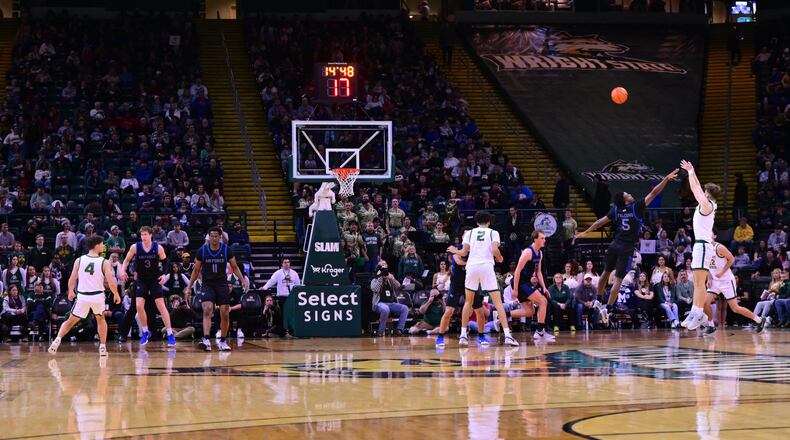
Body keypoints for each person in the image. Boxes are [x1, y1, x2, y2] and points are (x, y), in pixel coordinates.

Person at [575, 168, 679, 312]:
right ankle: (609, 308)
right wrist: (666, 178)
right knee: (618, 280)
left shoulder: (616, 210)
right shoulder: (636, 208)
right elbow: (654, 192)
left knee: (605, 272)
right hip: (627, 248)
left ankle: (599, 300)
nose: (630, 194)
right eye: (627, 194)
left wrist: (585, 232)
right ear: (625, 200)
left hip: (614, 245)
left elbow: (599, 223)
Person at [449, 210, 519, 347]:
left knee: (468, 302)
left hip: (472, 267)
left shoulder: (469, 233)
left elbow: (463, 252)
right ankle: (508, 336)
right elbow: (494, 250)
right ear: (489, 221)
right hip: (486, 267)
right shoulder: (493, 232)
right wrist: (500, 258)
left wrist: (454, 250)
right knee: (498, 303)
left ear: (476, 222)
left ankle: (463, 335)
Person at [48, 235, 121, 357]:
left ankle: (57, 340)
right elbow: (111, 281)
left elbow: (72, 278)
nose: (103, 246)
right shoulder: (104, 262)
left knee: (70, 320)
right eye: (102, 244)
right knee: (101, 320)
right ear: (97, 245)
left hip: (82, 296)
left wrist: (71, 291)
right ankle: (102, 347)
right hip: (97, 296)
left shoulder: (79, 260)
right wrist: (116, 293)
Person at [185, 227, 248, 352]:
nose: (214, 238)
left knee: (224, 313)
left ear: (220, 237)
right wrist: (189, 287)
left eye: (216, 236)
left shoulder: (226, 250)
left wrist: (243, 280)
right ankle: (206, 339)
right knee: (207, 309)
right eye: (211, 236)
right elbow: (196, 270)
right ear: (208, 237)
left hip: (222, 284)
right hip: (207, 284)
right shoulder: (202, 251)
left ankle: (223, 341)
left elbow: (235, 267)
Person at [679, 159, 721, 330]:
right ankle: (696, 311)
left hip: (703, 246)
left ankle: (698, 312)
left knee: (700, 282)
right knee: (697, 282)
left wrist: (690, 174)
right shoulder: (707, 203)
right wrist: (692, 170)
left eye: (704, 191)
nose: (702, 192)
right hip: (700, 246)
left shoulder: (707, 205)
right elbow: (697, 186)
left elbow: (695, 189)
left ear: (707, 194)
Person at [119, 226, 175, 347]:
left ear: (150, 235)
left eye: (145, 234)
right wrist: (123, 271)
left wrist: (165, 275)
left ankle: (170, 333)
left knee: (161, 306)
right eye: (142, 235)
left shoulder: (158, 247)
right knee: (139, 305)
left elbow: (166, 262)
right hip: (141, 280)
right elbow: (126, 260)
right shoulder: (135, 247)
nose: (143, 237)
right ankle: (145, 332)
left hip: (154, 280)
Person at [703, 239, 766, 334]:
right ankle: (711, 325)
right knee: (705, 303)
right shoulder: (704, 249)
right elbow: (706, 265)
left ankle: (759, 320)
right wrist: (709, 278)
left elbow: (732, 259)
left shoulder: (719, 247)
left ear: (714, 236)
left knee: (735, 308)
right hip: (715, 282)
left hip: (726, 281)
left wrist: (722, 272)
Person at [512, 230, 554, 341]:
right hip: (520, 282)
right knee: (543, 301)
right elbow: (517, 271)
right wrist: (515, 289)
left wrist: (544, 287)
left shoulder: (540, 253)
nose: (544, 240)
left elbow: (539, 272)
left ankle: (501, 315)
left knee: (530, 312)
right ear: (535, 239)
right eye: (542, 238)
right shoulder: (527, 252)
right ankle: (540, 332)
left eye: (544, 238)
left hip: (526, 282)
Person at [261, 258, 300, 333]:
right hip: (282, 297)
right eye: (285, 262)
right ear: (282, 264)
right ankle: (283, 330)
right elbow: (271, 281)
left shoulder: (294, 273)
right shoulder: (278, 273)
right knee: (283, 315)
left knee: (291, 315)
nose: (287, 264)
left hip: (291, 297)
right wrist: (265, 287)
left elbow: (297, 285)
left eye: (288, 262)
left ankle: (292, 329)